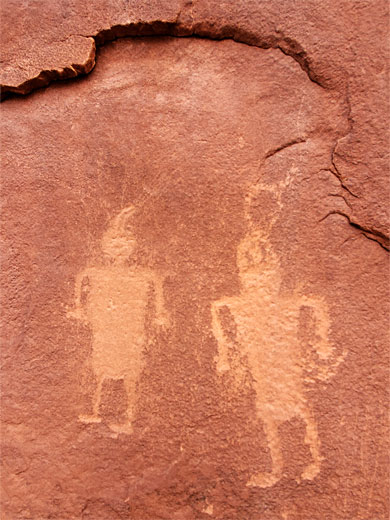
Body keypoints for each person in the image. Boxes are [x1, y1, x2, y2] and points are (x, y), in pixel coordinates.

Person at [68, 205, 169, 435]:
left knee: (130, 371)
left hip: (129, 327)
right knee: (100, 367)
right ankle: (94, 410)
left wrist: (160, 313)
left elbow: (157, 284)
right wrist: (79, 307)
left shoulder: (143, 274)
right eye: (113, 242)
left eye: (124, 243)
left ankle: (130, 415)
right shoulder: (95, 272)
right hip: (105, 326)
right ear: (105, 246)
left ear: (132, 246)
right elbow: (81, 279)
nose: (119, 248)